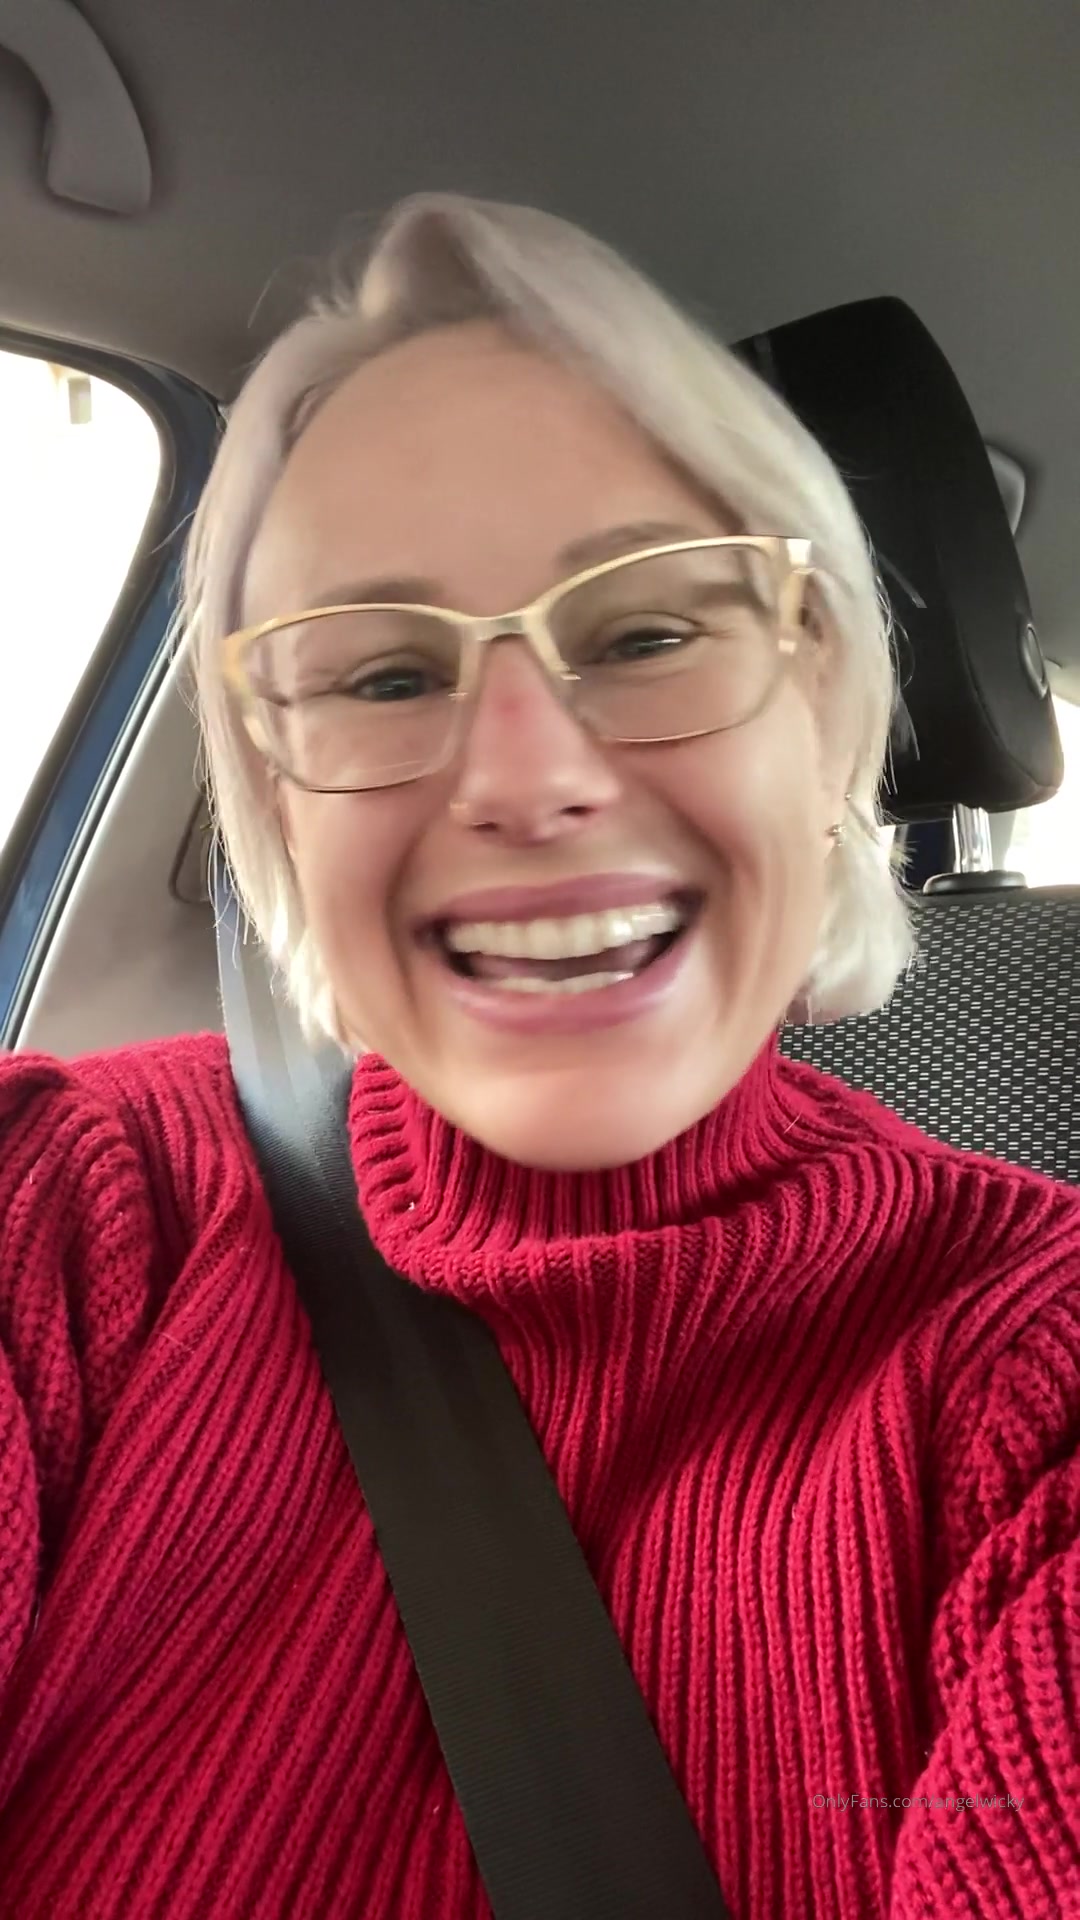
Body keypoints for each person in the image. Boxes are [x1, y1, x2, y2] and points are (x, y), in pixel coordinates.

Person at [0, 193, 1076, 1920]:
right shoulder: (64, 1210)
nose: (525, 777)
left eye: (647, 634)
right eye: (380, 674)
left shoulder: (1037, 1381)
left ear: (823, 717)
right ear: (276, 798)